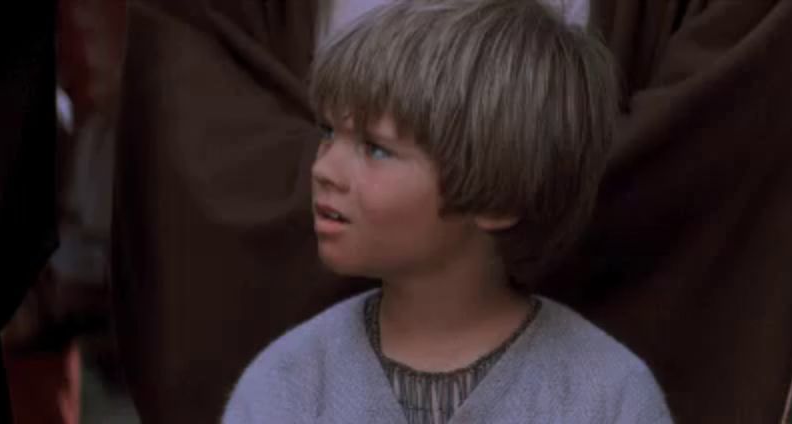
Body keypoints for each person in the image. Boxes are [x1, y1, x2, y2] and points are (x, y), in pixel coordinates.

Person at [221, 1, 672, 423]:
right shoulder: (288, 386)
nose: (323, 168)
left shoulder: (607, 398)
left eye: (375, 149)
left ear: (498, 199)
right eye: (328, 133)